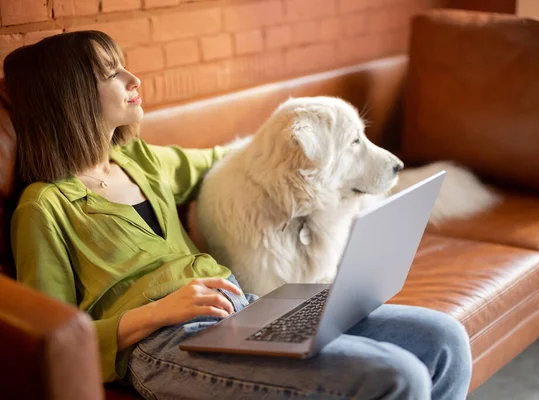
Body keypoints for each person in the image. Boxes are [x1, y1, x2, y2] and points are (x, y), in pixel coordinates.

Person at [5, 31, 472, 400]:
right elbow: (54, 340)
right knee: (396, 377)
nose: (133, 79)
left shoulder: (141, 161)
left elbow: (226, 159)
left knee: (444, 339)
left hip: (243, 307)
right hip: (162, 344)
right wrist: (156, 312)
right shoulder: (44, 206)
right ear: (70, 96)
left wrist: (290, 144)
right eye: (112, 72)